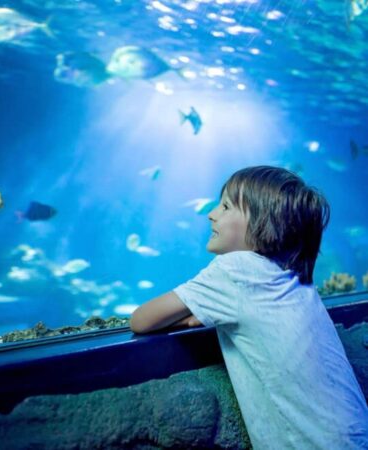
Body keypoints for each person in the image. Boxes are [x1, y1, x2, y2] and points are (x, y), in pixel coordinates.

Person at [130, 165, 368, 449]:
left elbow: (141, 320)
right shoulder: (291, 274)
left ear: (264, 224)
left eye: (226, 206)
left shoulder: (235, 269)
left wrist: (190, 316)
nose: (212, 213)